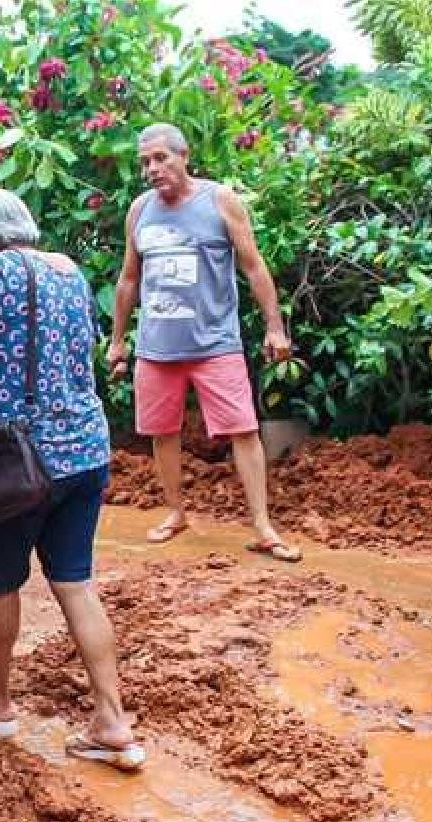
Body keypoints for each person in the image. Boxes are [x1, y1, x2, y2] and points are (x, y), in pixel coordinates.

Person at [0, 189, 145, 771]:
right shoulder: (68, 272)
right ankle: (112, 722)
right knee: (75, 583)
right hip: (84, 452)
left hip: (12, 463)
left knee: (1, 583)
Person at [108, 123, 302, 563]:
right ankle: (175, 513)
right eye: (144, 162)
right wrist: (118, 341)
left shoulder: (219, 201)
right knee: (162, 431)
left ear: (184, 155)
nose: (152, 169)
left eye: (160, 158)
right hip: (156, 348)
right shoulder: (140, 211)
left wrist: (275, 327)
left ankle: (263, 526)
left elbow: (254, 267)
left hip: (216, 343)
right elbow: (128, 279)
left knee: (244, 431)